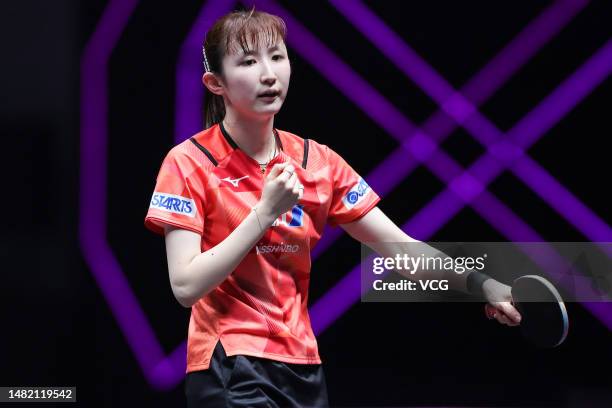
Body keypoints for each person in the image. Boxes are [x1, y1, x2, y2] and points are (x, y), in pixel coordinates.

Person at [144, 8, 521, 408]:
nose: (269, 73)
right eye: (249, 62)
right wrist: (264, 213)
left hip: (303, 366)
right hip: (230, 366)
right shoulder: (188, 162)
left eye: (277, 56)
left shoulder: (319, 163)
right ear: (215, 83)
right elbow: (185, 286)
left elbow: (402, 249)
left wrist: (482, 284)